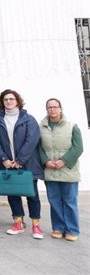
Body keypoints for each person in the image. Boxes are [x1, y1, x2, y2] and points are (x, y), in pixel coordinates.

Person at [0, 89, 44, 239]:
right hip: (7, 164)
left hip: (26, 164)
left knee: (32, 195)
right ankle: (18, 223)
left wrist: (20, 160)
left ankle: (36, 226)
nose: (9, 102)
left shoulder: (28, 119)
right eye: (6, 99)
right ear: (2, 102)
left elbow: (32, 140)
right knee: (13, 193)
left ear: (18, 101)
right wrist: (4, 159)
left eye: (11, 99)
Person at [39, 98, 83, 242]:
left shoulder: (72, 126)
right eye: (49, 107)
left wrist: (63, 161)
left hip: (68, 170)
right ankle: (58, 228)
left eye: (55, 107)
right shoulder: (41, 127)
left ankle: (71, 230)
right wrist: (46, 161)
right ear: (46, 109)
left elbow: (78, 148)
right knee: (54, 201)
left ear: (61, 108)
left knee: (69, 201)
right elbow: (38, 147)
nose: (52, 109)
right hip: (50, 170)